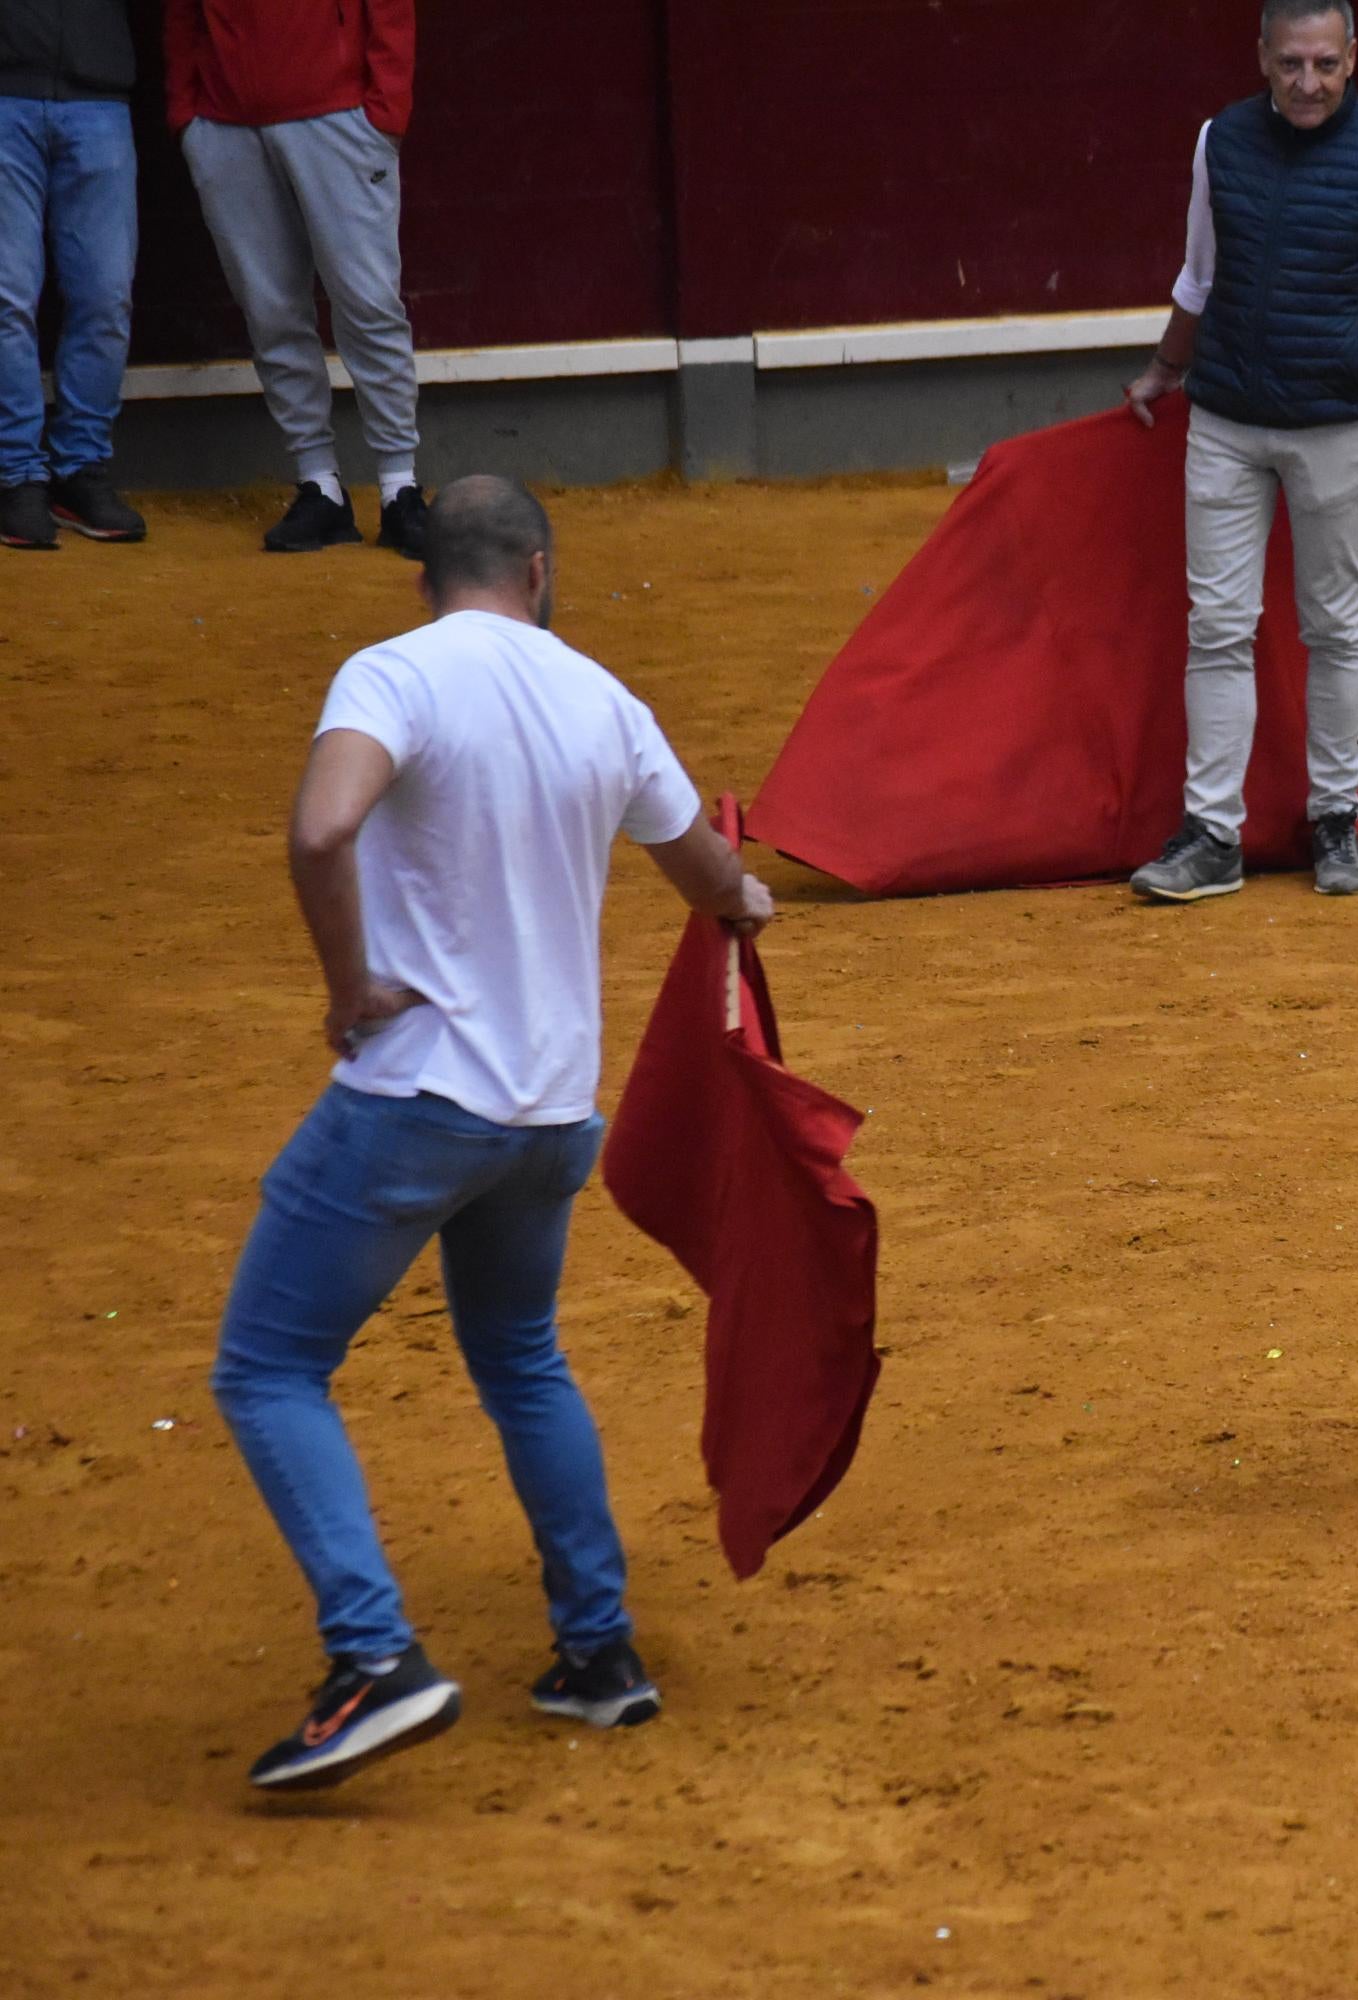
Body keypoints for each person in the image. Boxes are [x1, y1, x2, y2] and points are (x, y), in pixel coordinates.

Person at [213, 475, 774, 1792]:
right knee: (522, 1357)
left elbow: (320, 826)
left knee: (267, 1368)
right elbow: (708, 879)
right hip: (550, 1118)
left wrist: (350, 992)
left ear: (428, 576)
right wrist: (750, 903)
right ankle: (598, 1655)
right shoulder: (600, 696)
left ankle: (374, 1660)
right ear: (537, 567)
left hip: (417, 1105)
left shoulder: (394, 674)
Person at [1122, 0, 1358, 902]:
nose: (1307, 84)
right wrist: (1166, 366)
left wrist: (1343, 344)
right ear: (1263, 59)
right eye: (1289, 65)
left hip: (1338, 431)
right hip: (1226, 419)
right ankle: (1212, 835)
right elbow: (1201, 274)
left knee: (1331, 623)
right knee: (1219, 625)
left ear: (1352, 58)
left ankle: (1335, 820)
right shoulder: (1220, 142)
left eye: (1324, 65)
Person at [166, 0, 430, 557]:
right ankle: (319, 484)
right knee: (270, 310)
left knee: (367, 303)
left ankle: (399, 486)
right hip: (226, 124)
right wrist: (188, 115)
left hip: (340, 114)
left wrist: (385, 108)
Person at [0, 0, 145, 549]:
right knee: (6, 299)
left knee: (106, 297)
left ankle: (77, 469)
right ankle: (17, 474)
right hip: (6, 94)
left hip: (97, 96)